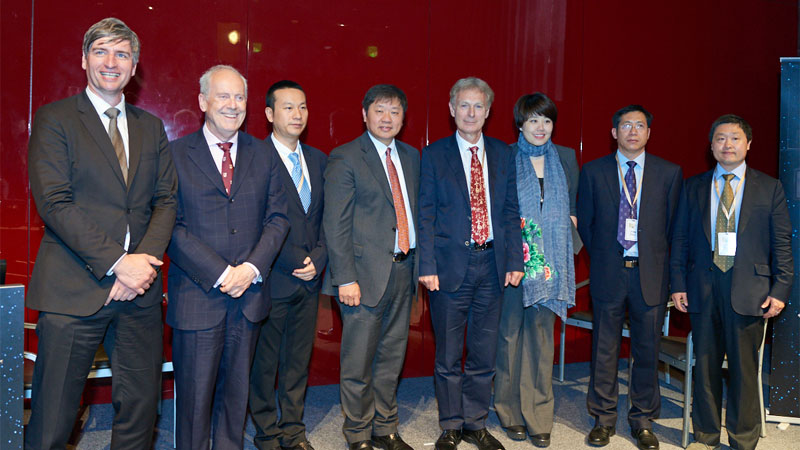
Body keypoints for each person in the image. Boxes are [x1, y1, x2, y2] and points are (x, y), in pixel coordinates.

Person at [25, 17, 177, 449]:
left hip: (139, 293)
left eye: (122, 54)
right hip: (73, 288)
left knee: (140, 413)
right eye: (101, 51)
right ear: (84, 60)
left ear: (134, 67)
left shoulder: (151, 127)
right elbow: (55, 203)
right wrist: (118, 263)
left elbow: (166, 200)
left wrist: (140, 268)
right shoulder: (55, 119)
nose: (111, 62)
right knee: (53, 419)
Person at [167, 65, 289, 449]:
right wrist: (223, 273)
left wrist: (250, 269)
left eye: (239, 97)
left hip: (249, 297)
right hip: (198, 297)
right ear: (203, 101)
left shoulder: (264, 154)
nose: (233, 105)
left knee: (236, 402)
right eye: (223, 96)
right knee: (193, 404)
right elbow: (170, 226)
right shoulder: (174, 155)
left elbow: (278, 218)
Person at [670, 115, 792, 450]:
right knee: (705, 367)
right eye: (720, 138)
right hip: (702, 286)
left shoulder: (769, 187)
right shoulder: (693, 186)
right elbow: (680, 239)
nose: (728, 145)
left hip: (751, 290)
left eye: (735, 138)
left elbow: (782, 243)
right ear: (711, 146)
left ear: (748, 144)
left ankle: (743, 440)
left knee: (744, 369)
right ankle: (706, 435)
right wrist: (677, 283)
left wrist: (780, 289)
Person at [418, 77, 524, 450]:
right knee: (448, 354)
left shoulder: (502, 153)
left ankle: (475, 424)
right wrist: (426, 265)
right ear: (452, 109)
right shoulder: (434, 154)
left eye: (478, 106)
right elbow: (425, 214)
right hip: (448, 269)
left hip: (492, 265)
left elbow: (510, 210)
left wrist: (515, 259)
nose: (471, 112)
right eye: (464, 105)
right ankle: (450, 424)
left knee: (483, 352)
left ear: (488, 111)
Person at [577, 105, 682, 450]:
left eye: (639, 125)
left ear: (649, 133)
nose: (633, 131)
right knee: (603, 349)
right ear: (614, 133)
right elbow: (587, 225)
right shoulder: (593, 171)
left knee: (647, 350)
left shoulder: (669, 173)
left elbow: (673, 229)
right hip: (609, 271)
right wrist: (607, 256)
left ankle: (643, 420)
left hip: (650, 275)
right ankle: (603, 418)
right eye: (626, 125)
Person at [322, 84, 419, 450]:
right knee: (358, 361)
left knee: (392, 358)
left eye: (395, 111)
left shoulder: (411, 156)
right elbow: (336, 224)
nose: (387, 118)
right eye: (380, 110)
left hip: (403, 270)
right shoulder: (346, 156)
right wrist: (345, 278)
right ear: (365, 115)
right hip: (361, 277)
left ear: (403, 118)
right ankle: (359, 432)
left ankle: (385, 428)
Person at [494, 93, 577, 448]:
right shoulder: (506, 156)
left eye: (546, 120)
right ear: (520, 124)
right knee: (509, 339)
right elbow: (498, 210)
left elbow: (575, 207)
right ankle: (509, 412)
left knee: (542, 343)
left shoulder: (566, 158)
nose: (540, 127)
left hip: (551, 266)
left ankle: (539, 415)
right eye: (533, 120)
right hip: (515, 262)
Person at [249, 80, 327, 450]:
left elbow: (328, 219)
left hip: (310, 281)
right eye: (288, 107)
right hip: (273, 279)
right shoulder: (255, 159)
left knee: (297, 362)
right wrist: (297, 260)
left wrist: (320, 258)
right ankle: (267, 432)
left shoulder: (319, 160)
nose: (298, 114)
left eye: (303, 107)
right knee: (264, 365)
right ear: (269, 114)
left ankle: (294, 431)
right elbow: (255, 223)